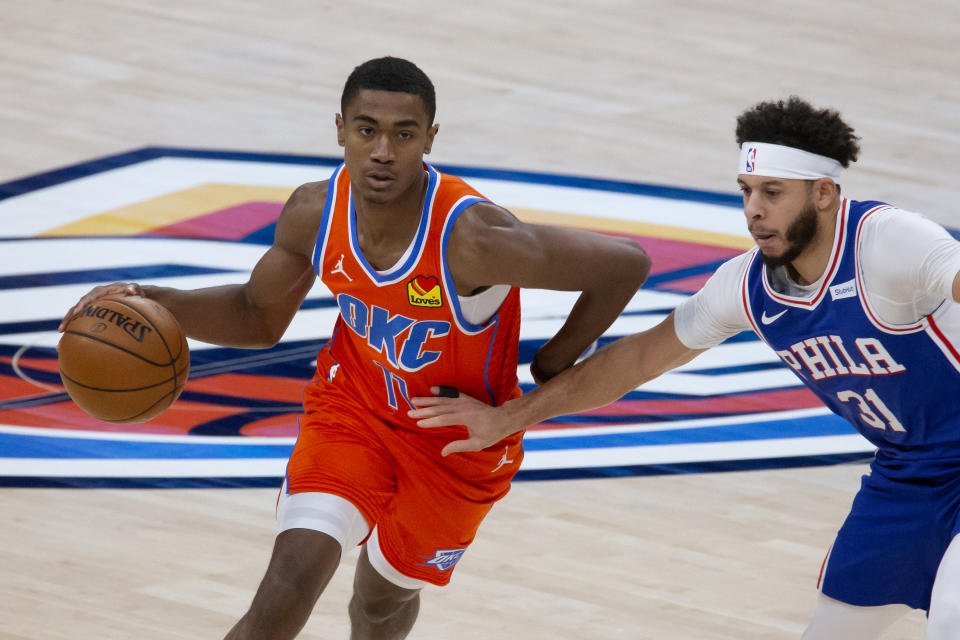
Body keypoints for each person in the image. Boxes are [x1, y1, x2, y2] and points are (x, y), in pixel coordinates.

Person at [58, 56, 651, 639]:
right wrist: (149, 298)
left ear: (430, 139)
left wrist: (551, 364)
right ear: (340, 129)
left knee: (381, 602)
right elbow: (255, 316)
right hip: (354, 411)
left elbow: (627, 265)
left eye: (404, 134)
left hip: (455, 445)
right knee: (287, 584)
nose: (384, 152)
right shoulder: (313, 212)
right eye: (367, 130)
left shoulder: (474, 239)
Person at [411, 96, 960, 639]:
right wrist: (509, 417)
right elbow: (636, 359)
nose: (753, 210)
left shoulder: (889, 244)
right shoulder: (746, 286)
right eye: (746, 192)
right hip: (908, 473)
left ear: (823, 193)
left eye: (773, 193)